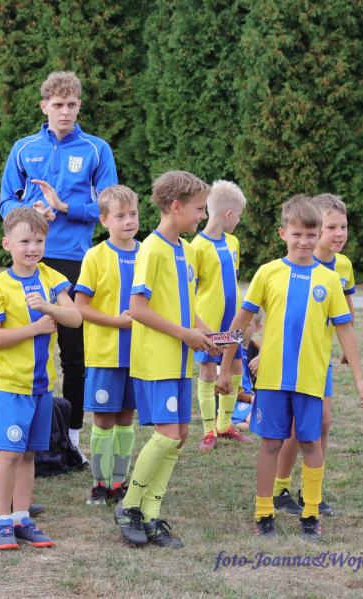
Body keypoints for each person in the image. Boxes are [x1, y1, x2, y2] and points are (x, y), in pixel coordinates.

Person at [216, 195, 363, 540]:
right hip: (272, 379)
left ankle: (311, 514)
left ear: (318, 236)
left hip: (310, 380)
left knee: (311, 443)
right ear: (282, 233)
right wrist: (225, 367)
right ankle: (263, 513)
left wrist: (359, 378)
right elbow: (240, 322)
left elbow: (345, 329)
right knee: (271, 444)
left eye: (311, 235)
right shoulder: (268, 273)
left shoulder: (329, 279)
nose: (304, 241)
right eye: (297, 234)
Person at [0, 70, 118, 453]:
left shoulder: (96, 149)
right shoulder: (23, 148)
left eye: (71, 105)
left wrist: (65, 207)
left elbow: (110, 206)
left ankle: (73, 437)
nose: (64, 111)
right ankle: (21, 431)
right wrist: (31, 211)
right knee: (23, 344)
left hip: (73, 259)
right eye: (57, 104)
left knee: (73, 352)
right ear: (44, 106)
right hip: (29, 259)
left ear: (79, 106)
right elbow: (5, 201)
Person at [113, 171, 218, 549]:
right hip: (156, 360)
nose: (203, 216)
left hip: (179, 361)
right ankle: (129, 506)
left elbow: (184, 306)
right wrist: (184, 334)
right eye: (199, 209)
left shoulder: (186, 250)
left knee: (180, 436)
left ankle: (151, 515)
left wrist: (207, 333)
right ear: (176, 207)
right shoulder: (152, 249)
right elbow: (138, 308)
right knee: (167, 435)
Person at [0, 207, 82, 550]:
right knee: (9, 454)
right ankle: (1, 520)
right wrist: (35, 328)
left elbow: (74, 318)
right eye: (25, 241)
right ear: (7, 244)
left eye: (39, 241)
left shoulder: (52, 278)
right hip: (11, 387)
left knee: (28, 456)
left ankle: (22, 518)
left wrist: (49, 308)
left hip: (42, 387)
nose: (33, 248)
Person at [272, 193, 357, 518]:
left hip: (320, 359)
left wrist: (347, 346)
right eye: (331, 227)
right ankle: (279, 488)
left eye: (343, 226)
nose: (339, 233)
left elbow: (347, 310)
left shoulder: (343, 265)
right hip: (292, 358)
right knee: (297, 427)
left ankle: (312, 491)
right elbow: (276, 317)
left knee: (323, 422)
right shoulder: (299, 262)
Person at [73, 185, 140, 505]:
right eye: (120, 216)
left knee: (126, 419)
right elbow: (80, 306)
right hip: (105, 356)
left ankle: (118, 483)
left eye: (133, 214)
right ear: (103, 220)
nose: (128, 221)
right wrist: (118, 322)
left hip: (139, 356)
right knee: (103, 420)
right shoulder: (95, 256)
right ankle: (99, 484)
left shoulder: (147, 253)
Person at [189, 180, 254, 450]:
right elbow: (191, 290)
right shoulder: (196, 247)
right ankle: (208, 431)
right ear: (228, 214)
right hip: (209, 323)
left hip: (233, 321)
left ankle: (225, 425)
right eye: (238, 215)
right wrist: (200, 325)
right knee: (207, 371)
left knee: (236, 367)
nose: (239, 220)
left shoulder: (233, 243)